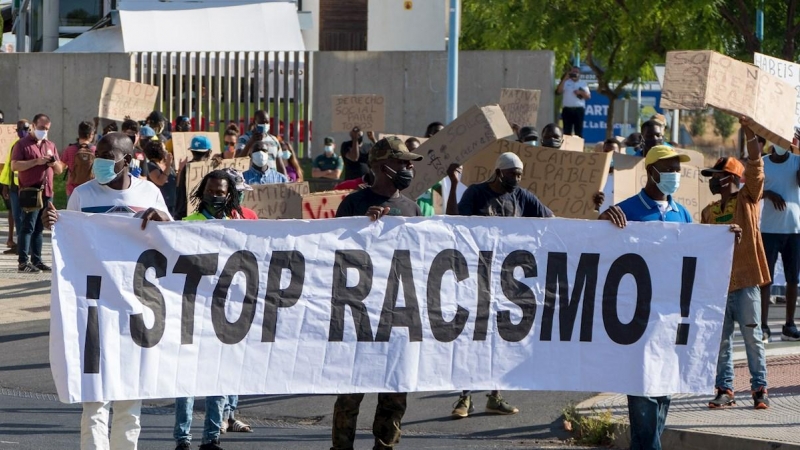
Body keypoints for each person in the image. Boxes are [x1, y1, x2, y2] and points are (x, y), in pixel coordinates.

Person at [43, 132, 172, 450]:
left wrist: (164, 221)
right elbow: (72, 244)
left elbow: (172, 242)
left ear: (128, 160)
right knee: (95, 401)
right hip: (94, 310)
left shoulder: (149, 192)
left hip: (137, 310)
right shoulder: (82, 195)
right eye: (97, 153)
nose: (97, 160)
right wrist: (55, 223)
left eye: (106, 155)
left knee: (130, 403)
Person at [598, 145, 693, 450]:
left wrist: (727, 238)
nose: (675, 175)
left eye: (678, 169)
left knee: (663, 391)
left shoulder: (683, 213)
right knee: (642, 387)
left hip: (669, 318)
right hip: (635, 318)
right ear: (651, 172)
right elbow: (593, 247)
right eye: (669, 168)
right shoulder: (626, 210)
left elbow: (696, 256)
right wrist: (602, 221)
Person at [332, 137, 423, 450]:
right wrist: (360, 228)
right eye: (404, 162)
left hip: (398, 314)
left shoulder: (412, 208)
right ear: (383, 166)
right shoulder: (354, 205)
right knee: (350, 392)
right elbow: (332, 252)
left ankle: (385, 445)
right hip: (359, 313)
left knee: (395, 393)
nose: (410, 167)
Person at [445, 152, 552, 418]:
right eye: (512, 174)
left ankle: (495, 396)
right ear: (498, 173)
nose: (516, 179)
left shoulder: (521, 197)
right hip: (476, 275)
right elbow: (455, 222)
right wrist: (454, 185)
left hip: (506, 280)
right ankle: (464, 397)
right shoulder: (477, 194)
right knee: (472, 336)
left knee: (499, 338)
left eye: (519, 174)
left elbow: (550, 219)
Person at [701, 118, 770, 410]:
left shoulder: (748, 200)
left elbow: (755, 170)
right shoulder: (708, 211)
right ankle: (725, 389)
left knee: (753, 337)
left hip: (745, 282)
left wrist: (751, 136)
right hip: (719, 285)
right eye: (711, 176)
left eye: (717, 175)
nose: (713, 180)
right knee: (721, 342)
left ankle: (759, 389)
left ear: (730, 178)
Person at [11, 113, 62, 274]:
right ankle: (23, 262)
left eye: (46, 129)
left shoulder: (50, 145)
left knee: (40, 228)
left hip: (47, 192)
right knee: (28, 227)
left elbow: (60, 170)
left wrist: (53, 163)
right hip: (30, 192)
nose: (44, 131)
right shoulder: (22, 144)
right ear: (33, 126)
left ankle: (37, 260)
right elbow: (14, 166)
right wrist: (36, 162)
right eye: (41, 128)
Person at [759, 141, 800, 343]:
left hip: (794, 230)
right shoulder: (762, 163)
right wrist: (768, 194)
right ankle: (763, 326)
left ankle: (789, 325)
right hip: (769, 230)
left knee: (793, 280)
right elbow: (751, 190)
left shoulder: (797, 162)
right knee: (765, 279)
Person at [0, 119, 27, 255]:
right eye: (20, 129)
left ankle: (26, 247)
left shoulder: (33, 144)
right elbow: (8, 168)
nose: (23, 132)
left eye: (25, 128)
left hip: (28, 187)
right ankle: (20, 245)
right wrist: (5, 185)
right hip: (15, 187)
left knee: (26, 217)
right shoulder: (14, 144)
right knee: (17, 216)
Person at [175, 136, 214, 220]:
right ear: (209, 152)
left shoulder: (186, 167)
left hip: (182, 214)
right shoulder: (188, 169)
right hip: (193, 215)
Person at [61, 121, 97, 199]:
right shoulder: (95, 150)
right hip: (90, 189)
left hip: (72, 189)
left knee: (72, 211)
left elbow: (61, 166)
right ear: (91, 135)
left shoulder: (70, 149)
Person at [144, 139, 178, 216]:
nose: (166, 151)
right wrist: (169, 165)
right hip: (160, 206)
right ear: (158, 151)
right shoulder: (151, 166)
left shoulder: (167, 166)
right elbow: (160, 181)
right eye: (164, 149)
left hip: (172, 204)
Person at [556, 66, 591, 137]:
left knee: (578, 131)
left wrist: (580, 92)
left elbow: (588, 96)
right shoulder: (566, 82)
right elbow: (559, 91)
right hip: (567, 109)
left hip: (578, 109)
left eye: (576, 72)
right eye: (573, 72)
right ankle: (566, 147)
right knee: (566, 131)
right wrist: (564, 79)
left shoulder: (583, 83)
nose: (574, 74)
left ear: (579, 74)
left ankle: (578, 146)